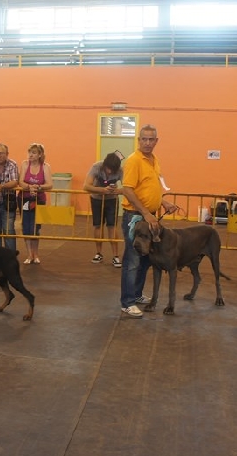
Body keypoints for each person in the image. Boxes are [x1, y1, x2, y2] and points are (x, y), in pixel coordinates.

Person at [119, 125, 177, 318]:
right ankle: (127, 302)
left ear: (156, 141)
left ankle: (136, 294)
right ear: (138, 140)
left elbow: (149, 188)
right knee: (133, 260)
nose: (147, 143)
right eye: (144, 139)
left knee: (145, 259)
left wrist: (163, 202)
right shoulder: (134, 160)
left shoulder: (154, 160)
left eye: (151, 139)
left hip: (148, 216)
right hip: (135, 217)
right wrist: (146, 213)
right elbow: (128, 190)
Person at [83, 151, 123, 267]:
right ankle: (98, 253)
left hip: (112, 200)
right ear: (104, 165)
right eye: (108, 169)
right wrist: (102, 190)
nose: (110, 172)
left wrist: (116, 190)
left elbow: (127, 188)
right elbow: (86, 186)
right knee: (98, 225)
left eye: (112, 170)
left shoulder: (120, 170)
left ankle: (115, 256)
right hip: (96, 199)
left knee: (112, 226)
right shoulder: (96, 167)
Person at [18, 142, 52, 264]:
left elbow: (49, 184)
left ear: (40, 155)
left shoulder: (45, 167)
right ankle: (29, 254)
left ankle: (36, 254)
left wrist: (38, 187)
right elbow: (20, 181)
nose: (30, 155)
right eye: (30, 152)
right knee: (26, 226)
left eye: (34, 153)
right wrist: (29, 187)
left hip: (39, 200)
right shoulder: (24, 164)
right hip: (24, 199)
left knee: (36, 227)